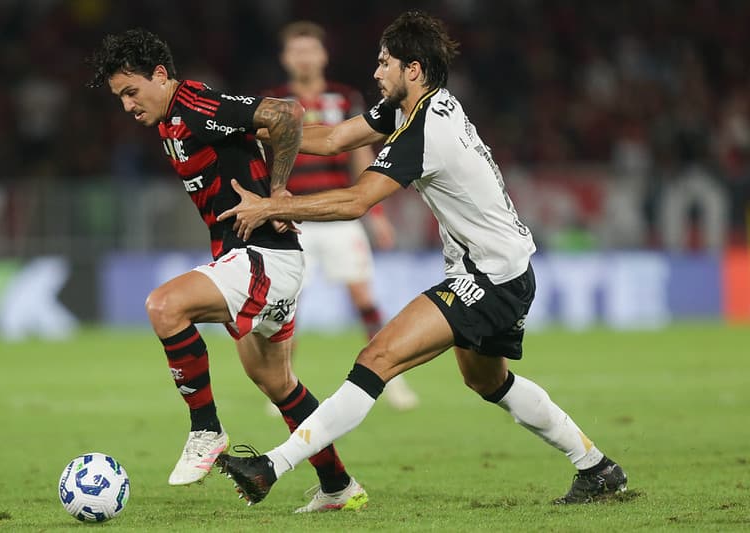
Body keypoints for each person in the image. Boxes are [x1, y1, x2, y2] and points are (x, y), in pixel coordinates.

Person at [215, 11, 628, 506]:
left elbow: (357, 201)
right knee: (487, 380)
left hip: (487, 278)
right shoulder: (415, 108)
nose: (376, 72)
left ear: (412, 69)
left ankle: (270, 467)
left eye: (384, 63)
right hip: (505, 270)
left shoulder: (424, 129)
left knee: (376, 359)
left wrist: (272, 206)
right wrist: (247, 128)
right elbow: (331, 139)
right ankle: (597, 468)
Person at [85, 28, 368, 513]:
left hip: (264, 256)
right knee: (278, 383)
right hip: (260, 258)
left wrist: (278, 194)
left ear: (160, 75)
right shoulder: (169, 121)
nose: (128, 105)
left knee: (164, 306)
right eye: (120, 98)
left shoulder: (193, 102)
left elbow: (287, 113)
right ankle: (339, 486)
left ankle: (206, 430)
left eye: (131, 91)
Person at [262, 20, 418, 411]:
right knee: (287, 304)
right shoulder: (274, 101)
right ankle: (282, 385)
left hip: (340, 215)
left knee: (363, 297)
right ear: (285, 58)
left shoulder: (345, 97)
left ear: (323, 55)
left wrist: (375, 213)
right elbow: (264, 157)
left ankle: (392, 379)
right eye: (296, 51)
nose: (304, 57)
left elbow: (360, 153)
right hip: (294, 218)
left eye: (310, 50)